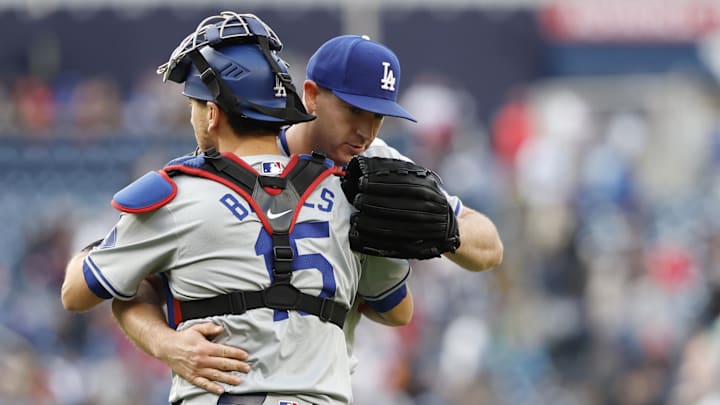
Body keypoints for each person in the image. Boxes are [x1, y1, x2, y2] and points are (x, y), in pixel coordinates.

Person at [113, 34, 503, 395]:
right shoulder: (236, 152)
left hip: (317, 389)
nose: (365, 131)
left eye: (378, 117)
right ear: (312, 96)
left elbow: (489, 247)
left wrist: (444, 227)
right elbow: (125, 281)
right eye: (354, 110)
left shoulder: (378, 166)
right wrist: (165, 343)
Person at [61, 11, 413, 405]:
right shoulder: (354, 195)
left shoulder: (180, 195)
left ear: (212, 114)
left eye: (195, 105)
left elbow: (76, 292)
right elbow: (397, 310)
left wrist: (103, 249)